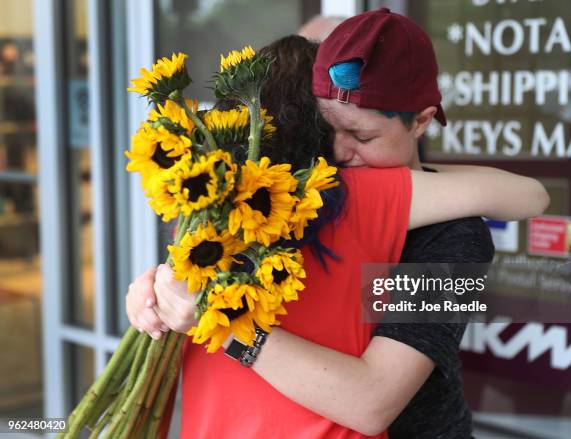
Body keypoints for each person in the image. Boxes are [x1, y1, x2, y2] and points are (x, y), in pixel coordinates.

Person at [126, 20, 549, 439]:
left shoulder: (455, 233)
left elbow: (372, 402)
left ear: (420, 121)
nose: (341, 153)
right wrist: (158, 291)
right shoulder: (289, 201)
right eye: (328, 132)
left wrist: (224, 321)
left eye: (361, 135)